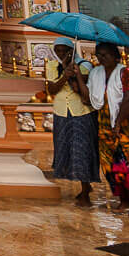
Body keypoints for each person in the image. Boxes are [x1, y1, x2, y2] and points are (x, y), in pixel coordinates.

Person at [88, 42, 129, 212]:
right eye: (99, 55)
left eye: (106, 55)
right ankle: (124, 199)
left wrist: (118, 123)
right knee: (111, 165)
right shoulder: (96, 73)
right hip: (104, 123)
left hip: (128, 124)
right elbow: (89, 98)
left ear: (115, 56)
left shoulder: (126, 73)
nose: (102, 58)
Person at [44, 37, 97, 206]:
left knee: (82, 149)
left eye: (64, 50)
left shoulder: (84, 65)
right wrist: (64, 75)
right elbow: (51, 89)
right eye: (57, 50)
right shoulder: (52, 66)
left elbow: (80, 89)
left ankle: (85, 189)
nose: (60, 54)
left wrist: (74, 73)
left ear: (71, 50)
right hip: (61, 111)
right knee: (66, 147)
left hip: (81, 112)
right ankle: (80, 185)